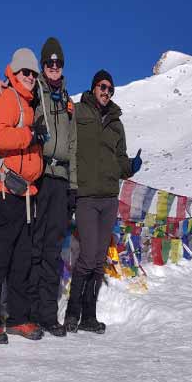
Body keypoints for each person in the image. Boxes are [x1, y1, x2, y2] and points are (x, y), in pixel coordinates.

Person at [0, 48, 47, 344]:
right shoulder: (8, 98)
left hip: (25, 193)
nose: (30, 78)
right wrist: (30, 135)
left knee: (21, 260)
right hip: (4, 191)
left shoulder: (30, 103)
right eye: (25, 73)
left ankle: (18, 318)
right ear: (14, 73)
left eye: (33, 73)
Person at [66, 69, 143, 333]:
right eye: (102, 87)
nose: (106, 92)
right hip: (86, 196)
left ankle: (89, 316)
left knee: (98, 260)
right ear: (93, 87)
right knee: (87, 256)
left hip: (109, 198)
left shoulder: (116, 123)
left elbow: (120, 160)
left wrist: (130, 166)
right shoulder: (78, 112)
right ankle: (71, 314)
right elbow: (67, 145)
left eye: (110, 89)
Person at [29, 37, 77, 337]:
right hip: (40, 177)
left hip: (60, 181)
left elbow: (72, 145)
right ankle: (30, 312)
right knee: (34, 245)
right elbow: (9, 89)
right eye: (49, 63)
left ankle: (47, 314)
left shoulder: (68, 102)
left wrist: (73, 186)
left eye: (58, 64)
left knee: (53, 249)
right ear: (42, 66)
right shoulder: (35, 92)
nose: (54, 67)